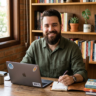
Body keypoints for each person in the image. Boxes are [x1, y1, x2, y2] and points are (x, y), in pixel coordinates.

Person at [21, 9, 87, 86]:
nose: (51, 29)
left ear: (61, 26)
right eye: (46, 25)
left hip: (63, 91)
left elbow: (82, 73)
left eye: (54, 25)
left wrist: (73, 78)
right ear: (42, 28)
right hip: (39, 91)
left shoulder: (73, 47)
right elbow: (22, 68)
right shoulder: (35, 45)